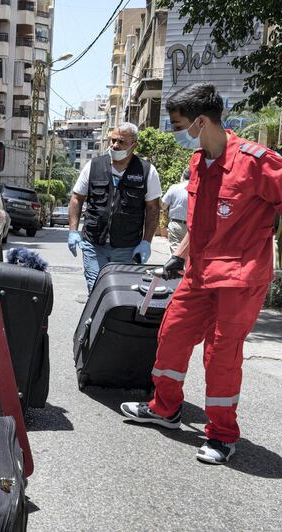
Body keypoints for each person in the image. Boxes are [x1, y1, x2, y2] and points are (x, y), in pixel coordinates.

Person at [120, 83, 282, 465]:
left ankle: (223, 435)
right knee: (172, 334)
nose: (177, 132)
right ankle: (166, 408)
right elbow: (202, 219)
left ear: (201, 121)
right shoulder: (198, 162)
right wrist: (178, 256)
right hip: (199, 271)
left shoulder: (257, 161)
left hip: (240, 277)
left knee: (220, 355)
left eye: (179, 124)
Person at [67, 122, 162, 292]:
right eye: (113, 140)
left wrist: (146, 242)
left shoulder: (147, 171)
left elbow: (153, 209)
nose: (115, 145)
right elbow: (76, 198)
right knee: (96, 290)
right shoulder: (94, 166)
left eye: (121, 142)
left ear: (134, 146)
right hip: (94, 244)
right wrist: (73, 231)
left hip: (127, 248)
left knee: (120, 295)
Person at [162, 168, 190, 254]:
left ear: (182, 176)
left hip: (176, 224)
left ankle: (177, 267)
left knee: (175, 252)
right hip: (192, 226)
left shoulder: (174, 188)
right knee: (189, 252)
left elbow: (163, 205)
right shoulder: (198, 189)